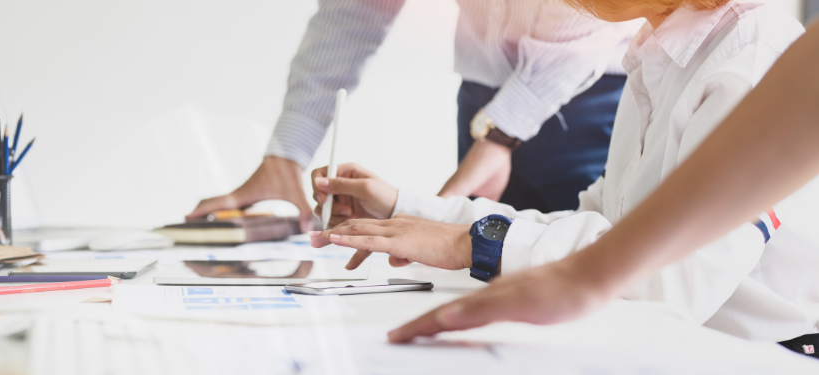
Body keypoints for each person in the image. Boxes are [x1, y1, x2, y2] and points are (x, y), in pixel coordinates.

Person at [309, 0, 818, 349]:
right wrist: (408, 209)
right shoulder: (659, 52)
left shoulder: (751, 60)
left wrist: (475, 243)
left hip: (757, 355)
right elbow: (596, 224)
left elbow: (674, 283)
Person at [187, 0, 641, 230]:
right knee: (484, 267)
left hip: (594, 93)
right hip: (483, 98)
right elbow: (354, 14)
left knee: (592, 265)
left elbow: (591, 22)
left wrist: (502, 135)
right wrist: (286, 155)